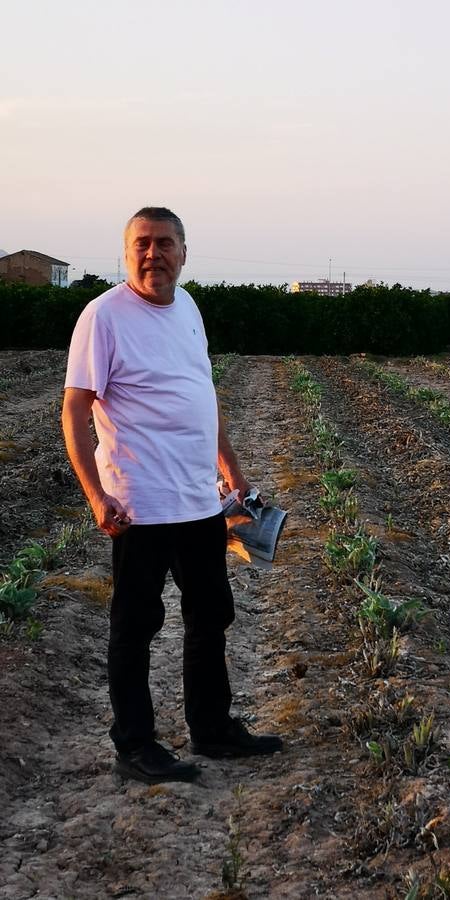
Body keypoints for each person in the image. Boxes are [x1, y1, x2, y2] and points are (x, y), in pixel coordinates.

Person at [62, 206, 282, 784]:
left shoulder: (188, 308)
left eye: (164, 243)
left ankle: (212, 729)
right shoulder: (103, 316)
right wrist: (95, 494)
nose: (153, 253)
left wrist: (230, 471)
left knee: (211, 614)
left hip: (198, 501)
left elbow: (201, 394)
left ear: (184, 253)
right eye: (142, 243)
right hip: (140, 503)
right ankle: (135, 744)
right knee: (135, 626)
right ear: (126, 251)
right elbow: (75, 407)